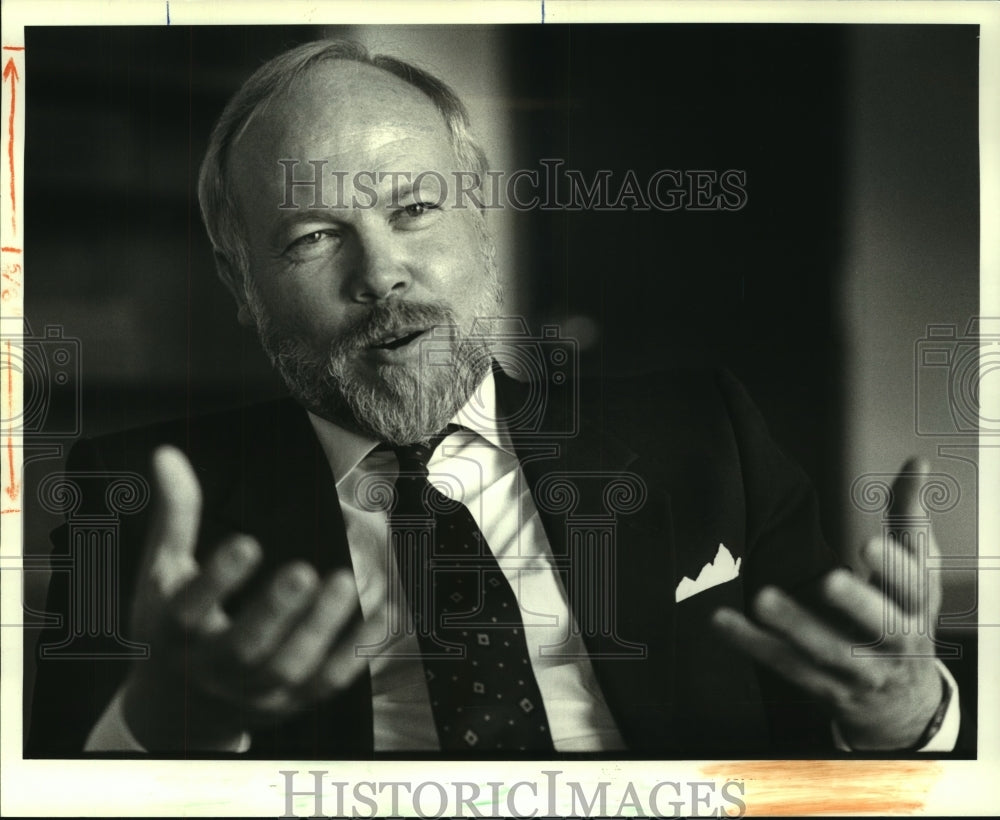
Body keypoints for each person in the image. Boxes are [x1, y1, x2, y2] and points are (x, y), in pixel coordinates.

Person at [26, 39, 961, 757]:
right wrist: (168, 721)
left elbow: (846, 725)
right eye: (314, 237)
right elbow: (63, 783)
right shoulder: (136, 495)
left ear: (479, 212)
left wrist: (901, 708)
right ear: (242, 286)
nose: (381, 273)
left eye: (415, 209)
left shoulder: (701, 428)